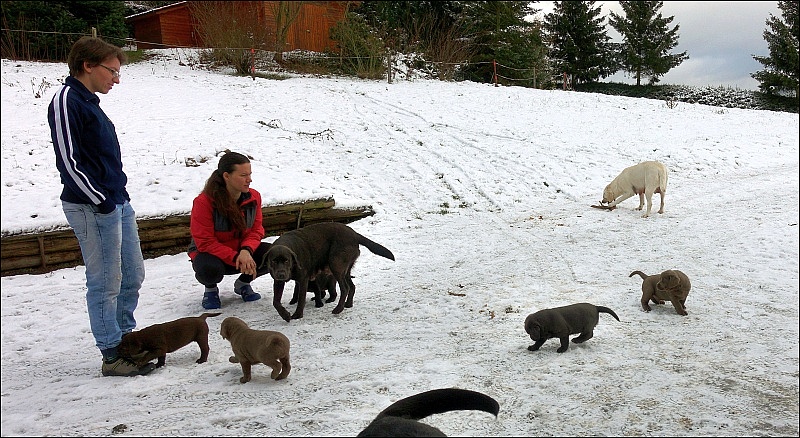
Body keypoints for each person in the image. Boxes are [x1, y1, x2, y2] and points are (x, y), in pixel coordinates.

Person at [47, 36, 155, 377]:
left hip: (116, 202)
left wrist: (117, 198)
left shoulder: (90, 102)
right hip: (92, 207)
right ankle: (112, 353)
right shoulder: (67, 100)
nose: (116, 79)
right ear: (87, 66)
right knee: (106, 280)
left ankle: (125, 339)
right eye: (112, 70)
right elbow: (68, 161)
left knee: (132, 275)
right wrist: (102, 201)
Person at [188, 151, 271, 309]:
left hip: (242, 251)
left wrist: (246, 250)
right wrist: (237, 258)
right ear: (227, 176)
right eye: (243, 175)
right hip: (212, 255)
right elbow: (205, 242)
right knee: (209, 269)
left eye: (250, 174)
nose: (249, 180)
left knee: (274, 254)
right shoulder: (204, 202)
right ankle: (210, 288)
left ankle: (243, 284)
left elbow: (257, 230)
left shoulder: (254, 197)